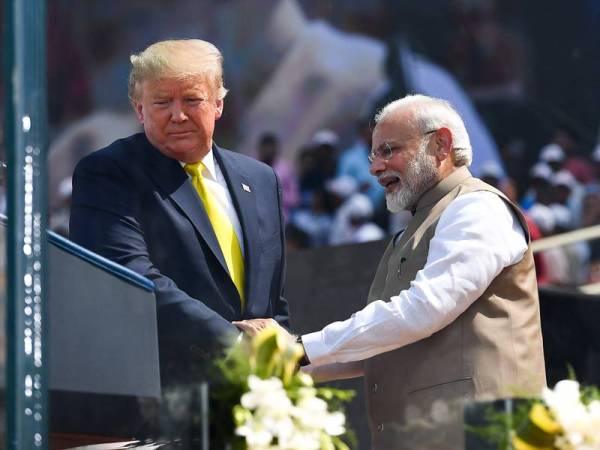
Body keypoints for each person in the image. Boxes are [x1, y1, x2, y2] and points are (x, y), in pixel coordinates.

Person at [236, 94, 546, 449]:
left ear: (440, 145)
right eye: (373, 154)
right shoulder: (413, 229)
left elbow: (425, 309)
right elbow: (384, 344)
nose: (374, 168)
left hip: (479, 436)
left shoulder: (477, 207)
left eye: (388, 150)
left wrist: (300, 348)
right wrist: (285, 364)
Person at [69, 39, 289, 384]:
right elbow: (129, 277)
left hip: (257, 399)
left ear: (218, 103)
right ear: (139, 109)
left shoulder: (260, 180)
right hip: (160, 400)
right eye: (161, 102)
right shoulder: (108, 173)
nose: (178, 114)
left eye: (192, 99)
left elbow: (272, 301)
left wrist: (281, 369)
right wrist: (236, 344)